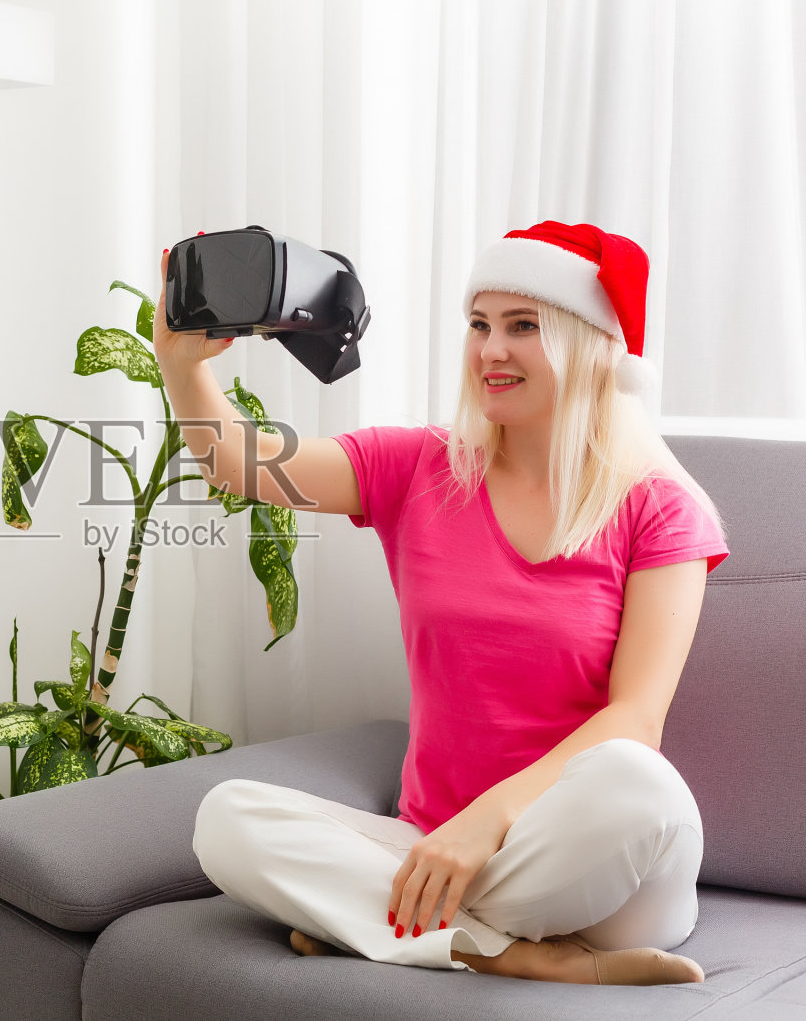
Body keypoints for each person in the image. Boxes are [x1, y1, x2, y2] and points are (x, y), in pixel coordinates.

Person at [151, 220, 728, 987]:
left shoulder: (662, 507)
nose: (491, 350)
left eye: (524, 326)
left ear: (589, 345)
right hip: (428, 846)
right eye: (480, 325)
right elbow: (242, 465)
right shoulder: (420, 466)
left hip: (595, 865)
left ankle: (373, 921)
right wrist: (179, 363)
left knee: (637, 780)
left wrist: (486, 823)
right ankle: (501, 949)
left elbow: (635, 718)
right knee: (227, 819)